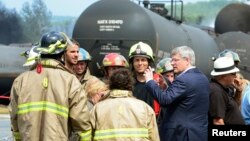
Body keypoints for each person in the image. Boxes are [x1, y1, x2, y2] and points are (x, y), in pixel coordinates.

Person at [8, 31, 92, 141]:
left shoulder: (21, 80)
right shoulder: (71, 81)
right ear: (62, 55)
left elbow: (14, 117)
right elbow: (81, 121)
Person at [144, 46, 210, 141]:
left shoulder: (183, 79)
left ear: (187, 60)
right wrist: (165, 88)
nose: (172, 63)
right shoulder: (203, 78)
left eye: (175, 60)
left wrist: (150, 81)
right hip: (198, 134)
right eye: (172, 60)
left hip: (182, 135)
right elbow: (185, 101)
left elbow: (165, 100)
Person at [90, 68, 160, 141]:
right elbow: (154, 137)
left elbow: (89, 135)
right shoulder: (145, 108)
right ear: (130, 85)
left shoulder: (97, 108)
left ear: (110, 85)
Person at [209, 56, 245, 125]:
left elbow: (234, 107)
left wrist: (239, 91)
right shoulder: (216, 91)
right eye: (234, 73)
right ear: (225, 75)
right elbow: (218, 122)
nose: (235, 76)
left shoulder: (223, 88)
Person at [128, 41, 156, 110]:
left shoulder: (159, 81)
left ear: (149, 62)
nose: (140, 63)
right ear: (132, 63)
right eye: (137, 60)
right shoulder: (128, 83)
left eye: (143, 60)